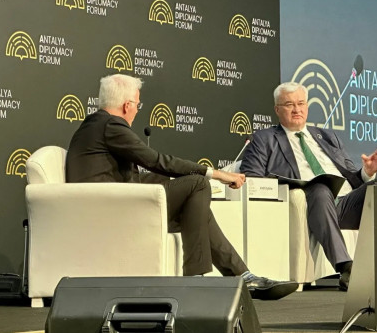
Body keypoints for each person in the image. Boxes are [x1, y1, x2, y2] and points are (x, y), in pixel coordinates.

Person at [65, 73, 298, 300]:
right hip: (112, 211)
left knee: (195, 206)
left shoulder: (95, 125)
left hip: (110, 204)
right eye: (137, 104)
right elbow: (156, 161)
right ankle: (196, 277)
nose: (137, 110)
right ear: (127, 106)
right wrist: (215, 174)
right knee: (198, 184)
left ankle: (243, 277)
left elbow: (131, 177)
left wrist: (175, 183)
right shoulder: (111, 125)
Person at [239, 82, 377, 291]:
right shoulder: (264, 139)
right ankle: (346, 268)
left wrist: (367, 172)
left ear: (307, 107)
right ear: (277, 110)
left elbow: (352, 179)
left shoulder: (327, 137)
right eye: (289, 104)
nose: (296, 109)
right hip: (312, 200)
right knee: (320, 189)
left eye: (301, 103)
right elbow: (251, 179)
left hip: (345, 203)